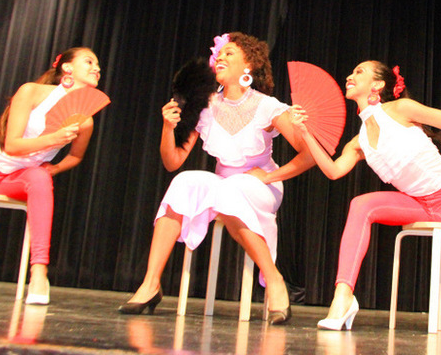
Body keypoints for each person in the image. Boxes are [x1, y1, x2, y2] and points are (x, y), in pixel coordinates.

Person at [292, 60, 441, 335]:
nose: (349, 76)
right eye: (352, 71)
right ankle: (343, 296)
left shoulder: (400, 109)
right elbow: (333, 171)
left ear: (377, 84)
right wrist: (306, 133)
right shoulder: (359, 142)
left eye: (359, 72)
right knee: (360, 205)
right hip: (416, 203)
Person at [118, 32, 314, 324]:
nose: (220, 57)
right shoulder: (204, 105)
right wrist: (168, 128)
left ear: (249, 64)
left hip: (260, 185)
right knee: (183, 182)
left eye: (229, 53)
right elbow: (173, 162)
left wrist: (270, 176)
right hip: (224, 184)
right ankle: (150, 284)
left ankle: (274, 279)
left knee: (230, 190)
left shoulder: (268, 106)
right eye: (219, 55)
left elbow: (309, 155)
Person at [0, 47, 104, 305]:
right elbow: (12, 145)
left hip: (18, 177)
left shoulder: (86, 121)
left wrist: (54, 168)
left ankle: (39, 274)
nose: (97, 69)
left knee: (41, 179)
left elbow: (76, 156)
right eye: (89, 62)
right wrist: (54, 138)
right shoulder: (31, 92)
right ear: (67, 68)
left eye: (98, 66)